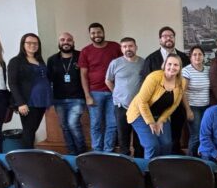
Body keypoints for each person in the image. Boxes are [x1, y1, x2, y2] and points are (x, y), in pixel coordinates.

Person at [141, 26, 190, 153]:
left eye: (171, 36)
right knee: (159, 138)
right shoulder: (151, 59)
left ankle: (174, 156)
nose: (168, 38)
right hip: (156, 107)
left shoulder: (184, 57)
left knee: (176, 134)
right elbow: (144, 82)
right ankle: (159, 160)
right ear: (160, 40)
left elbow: (186, 80)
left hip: (176, 104)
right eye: (165, 36)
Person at [126, 54, 184, 159]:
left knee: (167, 144)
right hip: (139, 114)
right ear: (164, 65)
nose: (172, 67)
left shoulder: (181, 82)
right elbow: (142, 102)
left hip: (159, 115)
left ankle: (163, 167)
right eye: (169, 64)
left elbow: (174, 104)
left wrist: (161, 120)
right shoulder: (154, 77)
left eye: (176, 65)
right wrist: (151, 122)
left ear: (180, 68)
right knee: (152, 145)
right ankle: (148, 168)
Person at [78, 22, 122, 152]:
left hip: (113, 92)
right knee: (96, 124)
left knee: (112, 124)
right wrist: (87, 95)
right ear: (90, 35)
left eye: (98, 32)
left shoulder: (115, 47)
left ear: (103, 32)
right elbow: (83, 75)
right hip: (95, 93)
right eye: (93, 33)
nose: (96, 35)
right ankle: (97, 151)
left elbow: (123, 66)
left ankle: (108, 151)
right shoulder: (86, 51)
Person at [8, 33, 52, 149]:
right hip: (28, 102)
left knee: (32, 130)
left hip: (41, 101)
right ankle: (27, 156)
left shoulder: (39, 60)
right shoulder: (16, 61)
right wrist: (21, 103)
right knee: (28, 131)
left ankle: (29, 154)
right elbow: (12, 83)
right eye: (29, 43)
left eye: (35, 43)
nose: (33, 45)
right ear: (23, 44)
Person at [47, 32, 87, 155]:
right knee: (64, 126)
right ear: (59, 42)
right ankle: (72, 152)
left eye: (69, 40)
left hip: (77, 98)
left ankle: (81, 152)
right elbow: (48, 80)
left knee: (73, 124)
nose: (66, 42)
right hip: (59, 99)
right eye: (63, 40)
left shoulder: (81, 56)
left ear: (73, 42)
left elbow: (86, 76)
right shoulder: (52, 60)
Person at [106, 37, 145, 157]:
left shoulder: (143, 62)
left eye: (130, 46)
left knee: (139, 138)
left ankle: (139, 162)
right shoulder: (115, 63)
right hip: (121, 106)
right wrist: (116, 93)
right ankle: (125, 162)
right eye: (125, 46)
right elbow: (108, 80)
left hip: (139, 107)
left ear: (136, 47)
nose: (128, 48)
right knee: (123, 137)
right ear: (121, 49)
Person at [180, 45, 209, 157]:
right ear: (190, 57)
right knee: (196, 135)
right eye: (194, 55)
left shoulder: (208, 69)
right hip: (193, 107)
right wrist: (188, 110)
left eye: (200, 54)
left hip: (206, 107)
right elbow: (182, 92)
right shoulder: (186, 71)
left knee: (205, 134)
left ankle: (201, 159)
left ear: (203, 56)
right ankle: (190, 160)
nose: (197, 57)